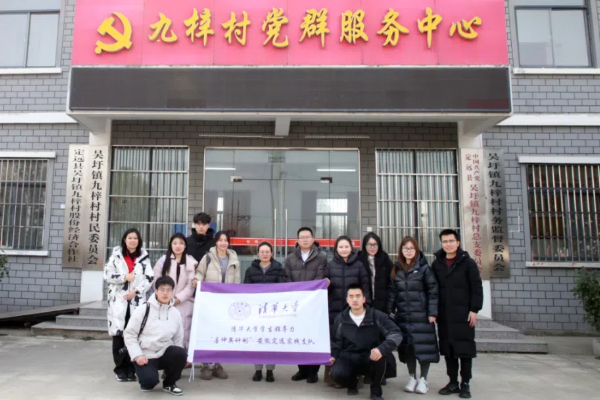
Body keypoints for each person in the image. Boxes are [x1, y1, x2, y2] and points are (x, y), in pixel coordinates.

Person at [431, 229, 483, 399]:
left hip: (463, 315)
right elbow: (433, 290)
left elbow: (477, 288)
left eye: (451, 241)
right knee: (449, 350)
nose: (448, 244)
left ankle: (465, 383)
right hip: (445, 315)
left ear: (458, 242)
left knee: (465, 350)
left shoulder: (468, 263)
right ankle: (453, 382)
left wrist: (474, 309)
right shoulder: (437, 264)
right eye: (445, 241)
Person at [330, 283, 402, 400]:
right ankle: (352, 383)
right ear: (347, 300)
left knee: (380, 358)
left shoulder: (377, 316)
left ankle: (376, 391)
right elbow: (336, 342)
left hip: (371, 357)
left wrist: (381, 349)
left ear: (364, 299)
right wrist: (333, 356)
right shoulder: (341, 319)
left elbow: (396, 333)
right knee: (336, 373)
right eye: (351, 296)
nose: (354, 299)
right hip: (349, 357)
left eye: (358, 296)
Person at [387, 236, 439, 395]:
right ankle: (412, 377)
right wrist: (390, 311)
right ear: (401, 250)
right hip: (403, 315)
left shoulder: (424, 269)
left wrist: (432, 312)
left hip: (422, 316)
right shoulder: (397, 269)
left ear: (416, 250)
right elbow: (392, 293)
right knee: (408, 348)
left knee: (423, 348)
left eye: (411, 248)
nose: (408, 251)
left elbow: (433, 291)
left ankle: (423, 379)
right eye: (405, 248)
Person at [103, 228, 154, 383]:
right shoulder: (116, 257)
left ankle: (132, 369)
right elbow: (107, 275)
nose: (132, 241)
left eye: (135, 238)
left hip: (136, 302)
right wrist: (125, 277)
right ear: (125, 240)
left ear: (139, 241)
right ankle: (120, 369)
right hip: (119, 302)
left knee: (134, 335)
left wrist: (136, 291)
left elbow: (149, 278)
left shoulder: (144, 258)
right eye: (130, 238)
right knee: (119, 335)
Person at [124, 276, 187, 396]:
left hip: (164, 352)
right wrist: (137, 355)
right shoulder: (143, 309)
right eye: (162, 289)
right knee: (149, 383)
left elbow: (178, 338)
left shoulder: (175, 313)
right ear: (156, 291)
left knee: (180, 353)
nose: (165, 293)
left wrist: (180, 359)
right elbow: (130, 334)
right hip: (145, 355)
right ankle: (145, 376)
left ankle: (169, 383)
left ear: (172, 292)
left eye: (169, 290)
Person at [192, 230, 240, 380]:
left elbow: (237, 280)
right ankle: (206, 365)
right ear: (216, 242)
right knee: (208, 332)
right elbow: (200, 273)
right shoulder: (208, 257)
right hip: (209, 301)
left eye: (226, 240)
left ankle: (217, 364)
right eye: (220, 240)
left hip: (225, 302)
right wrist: (197, 280)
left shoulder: (234, 259)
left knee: (221, 332)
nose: (223, 243)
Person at [324, 235, 371, 385]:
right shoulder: (330, 265)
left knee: (355, 342)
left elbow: (365, 287)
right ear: (336, 249)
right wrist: (327, 285)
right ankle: (333, 376)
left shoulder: (359, 265)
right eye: (341, 247)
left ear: (351, 248)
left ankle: (357, 376)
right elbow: (325, 289)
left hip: (355, 311)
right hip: (334, 310)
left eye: (346, 246)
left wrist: (367, 307)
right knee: (335, 342)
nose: (344, 249)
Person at [284, 227, 327, 384]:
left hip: (314, 303)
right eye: (302, 237)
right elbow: (287, 279)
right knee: (298, 337)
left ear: (313, 239)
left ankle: (313, 371)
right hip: (296, 305)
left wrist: (309, 296)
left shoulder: (321, 257)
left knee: (313, 337)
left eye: (308, 237)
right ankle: (302, 370)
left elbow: (320, 277)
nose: (305, 239)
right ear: (297, 240)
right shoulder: (290, 258)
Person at [244, 241, 287, 383]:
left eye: (267, 252)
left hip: (272, 312)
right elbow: (246, 289)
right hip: (256, 311)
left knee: (271, 341)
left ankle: (269, 370)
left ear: (272, 253)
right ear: (258, 253)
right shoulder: (250, 270)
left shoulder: (278, 268)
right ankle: (257, 370)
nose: (265, 254)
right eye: (262, 252)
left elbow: (282, 289)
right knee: (257, 341)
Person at [152, 233, 197, 353]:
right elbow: (156, 281)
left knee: (184, 332)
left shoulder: (191, 262)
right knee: (165, 332)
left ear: (185, 245)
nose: (178, 246)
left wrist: (177, 299)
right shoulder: (163, 261)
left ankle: (183, 357)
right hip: (164, 302)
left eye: (181, 243)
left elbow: (191, 286)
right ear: (170, 245)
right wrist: (166, 296)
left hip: (184, 303)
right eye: (175, 243)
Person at [358, 232, 394, 313]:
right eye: (369, 244)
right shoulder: (359, 260)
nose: (372, 247)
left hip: (383, 305)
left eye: (375, 244)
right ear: (364, 245)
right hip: (363, 304)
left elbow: (392, 284)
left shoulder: (386, 261)